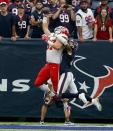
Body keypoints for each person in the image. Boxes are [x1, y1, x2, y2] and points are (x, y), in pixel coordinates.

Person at [34, 13, 71, 95]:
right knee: (37, 83)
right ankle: (50, 94)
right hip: (48, 64)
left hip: (55, 65)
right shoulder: (53, 35)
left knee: (57, 88)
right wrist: (45, 17)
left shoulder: (63, 37)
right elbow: (45, 28)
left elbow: (57, 46)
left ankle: (65, 103)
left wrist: (47, 40)